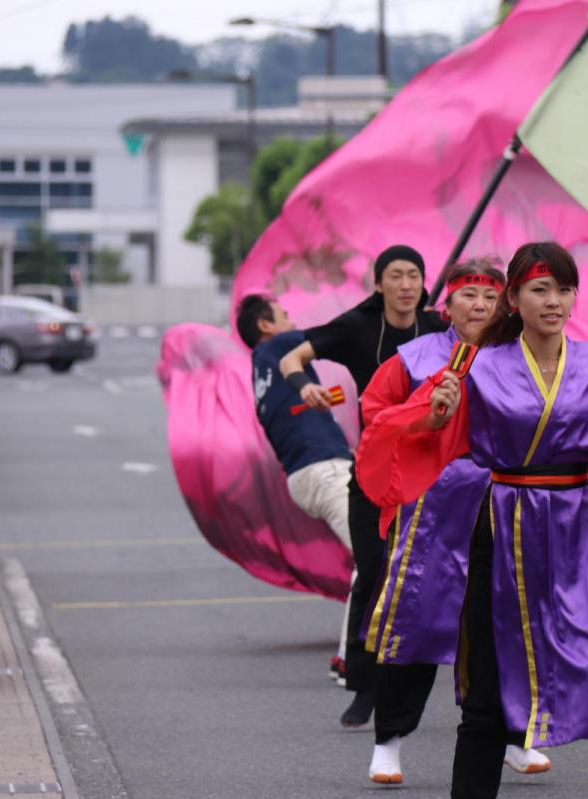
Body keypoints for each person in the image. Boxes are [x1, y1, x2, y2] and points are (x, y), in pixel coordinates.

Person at [357, 241, 588, 799]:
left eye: (563, 289)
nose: (553, 301)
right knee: (486, 678)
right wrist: (435, 414)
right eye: (539, 289)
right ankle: (413, 750)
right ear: (516, 298)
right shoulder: (477, 366)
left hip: (576, 525)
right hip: (501, 524)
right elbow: (424, 428)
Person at [358, 258, 551, 783]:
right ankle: (389, 742)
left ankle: (514, 737)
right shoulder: (414, 357)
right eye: (470, 296)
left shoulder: (522, 358)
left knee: (507, 625)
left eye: (491, 299)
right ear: (447, 304)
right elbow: (375, 413)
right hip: (432, 508)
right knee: (414, 622)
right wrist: (425, 415)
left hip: (506, 504)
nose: (481, 307)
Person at [279, 245, 448, 726]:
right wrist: (304, 387)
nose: (406, 284)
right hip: (373, 474)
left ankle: (452, 688)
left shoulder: (437, 330)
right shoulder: (357, 327)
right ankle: (364, 687)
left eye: (414, 275)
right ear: (379, 285)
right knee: (372, 576)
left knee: (438, 582)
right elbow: (293, 358)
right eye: (395, 275)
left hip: (431, 478)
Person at [236, 294, 354, 681]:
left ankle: (373, 650)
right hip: (325, 470)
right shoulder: (280, 345)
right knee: (377, 559)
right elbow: (333, 336)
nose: (293, 322)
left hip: (310, 473)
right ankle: (351, 657)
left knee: (384, 553)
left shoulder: (260, 368)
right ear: (266, 326)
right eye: (285, 316)